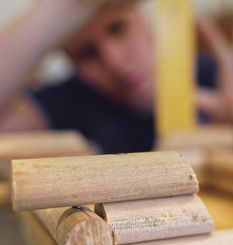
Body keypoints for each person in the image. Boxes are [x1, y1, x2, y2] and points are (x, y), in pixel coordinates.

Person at [0, 0, 232, 154]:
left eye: (118, 28)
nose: (116, 63)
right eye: (87, 53)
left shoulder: (215, 75)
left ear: (146, 18)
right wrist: (63, 6)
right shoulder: (69, 101)